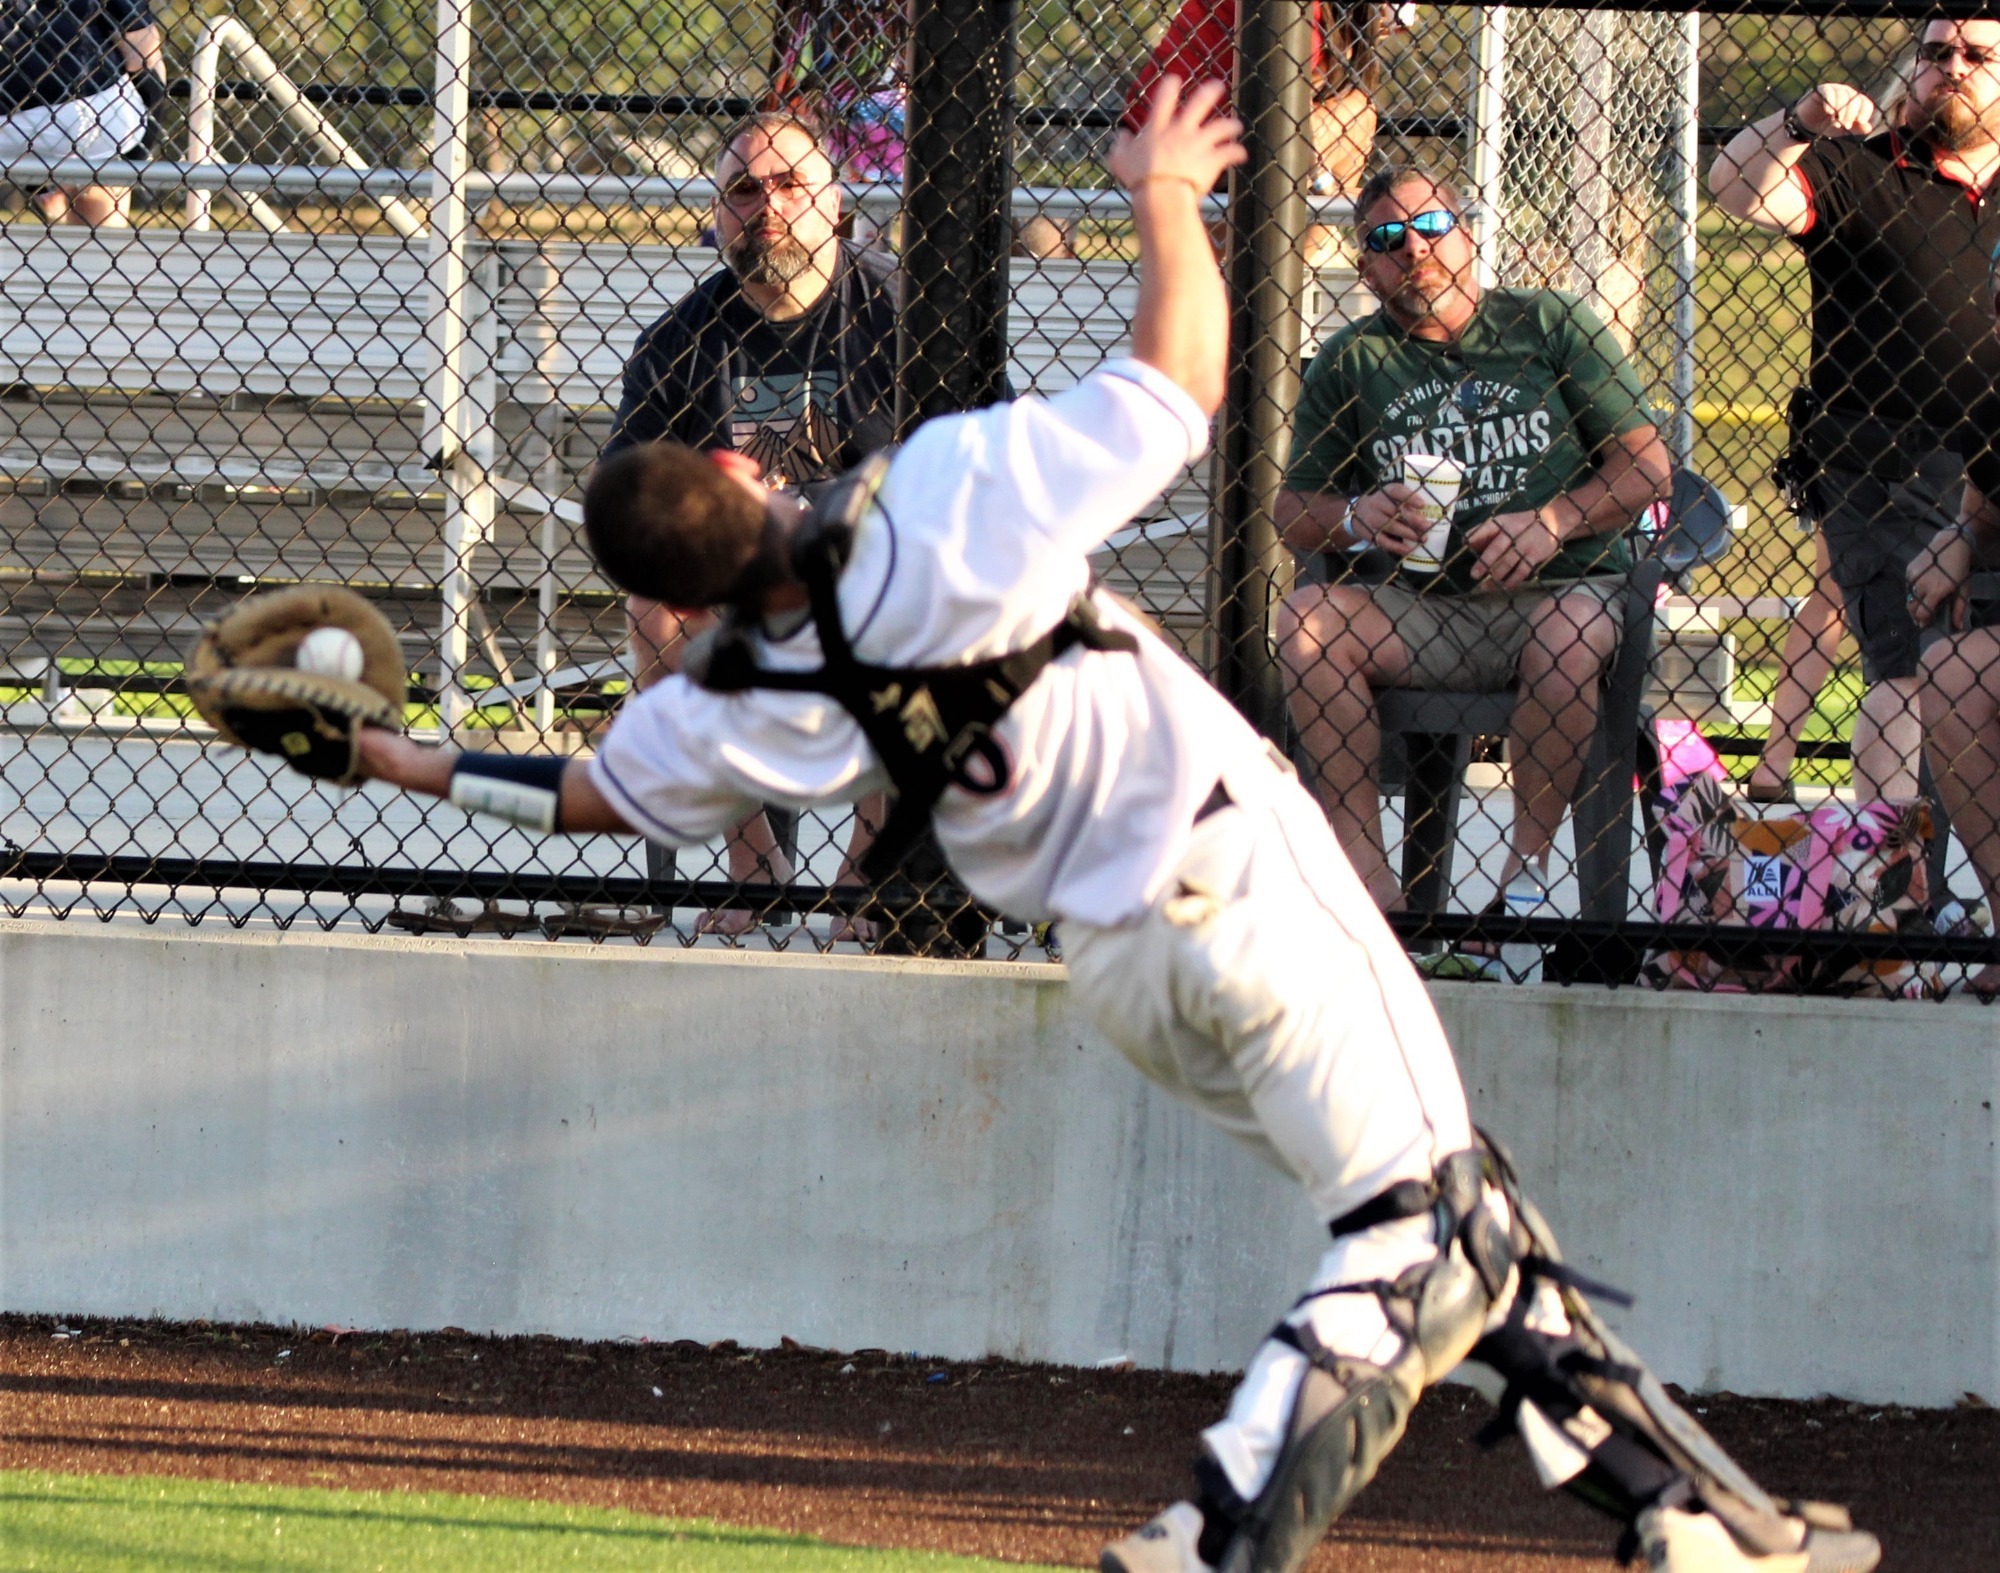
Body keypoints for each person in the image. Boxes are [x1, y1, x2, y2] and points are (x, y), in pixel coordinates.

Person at [345, 81, 1877, 1573]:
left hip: (1131, 978)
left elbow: (595, 792)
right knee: (1424, 1233)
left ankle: (1686, 1523)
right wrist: (1158, 202)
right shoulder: (937, 492)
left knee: (1457, 1214)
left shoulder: (736, 698)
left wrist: (394, 759)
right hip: (1240, 888)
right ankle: (1217, 1527)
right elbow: (1179, 386)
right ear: (731, 477)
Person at [1274, 166, 1671, 915]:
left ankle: (1521, 878)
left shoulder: (1549, 323)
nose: (1414, 249)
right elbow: (1291, 509)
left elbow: (1647, 468)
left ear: (1467, 236)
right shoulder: (1351, 361)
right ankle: (1371, 887)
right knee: (1307, 623)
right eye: (1388, 238)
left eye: (1431, 227)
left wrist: (1551, 523)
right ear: (1365, 266)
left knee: (1572, 632)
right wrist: (1359, 516)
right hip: (1422, 609)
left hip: (1561, 594)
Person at [604, 110, 893, 937]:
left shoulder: (903, 314)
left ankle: (865, 871)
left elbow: (978, 465)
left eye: (789, 183)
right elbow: (625, 498)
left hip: (875, 564)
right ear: (716, 215)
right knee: (653, 608)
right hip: (741, 575)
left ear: (835, 204)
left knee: (896, 599)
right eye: (742, 188)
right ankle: (755, 860)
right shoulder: (679, 340)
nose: (765, 203)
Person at [1709, 15, 2000, 802]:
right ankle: (1895, 901)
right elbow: (1734, 187)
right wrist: (1800, 118)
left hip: (1995, 466)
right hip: (1888, 457)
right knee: (1906, 671)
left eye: (1978, 55)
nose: (1954, 67)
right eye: (1937, 53)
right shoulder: (1861, 166)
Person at [0, 0, 164, 227]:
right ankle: (100, 234)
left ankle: (48, 187)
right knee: (110, 127)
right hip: (85, 105)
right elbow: (141, 53)